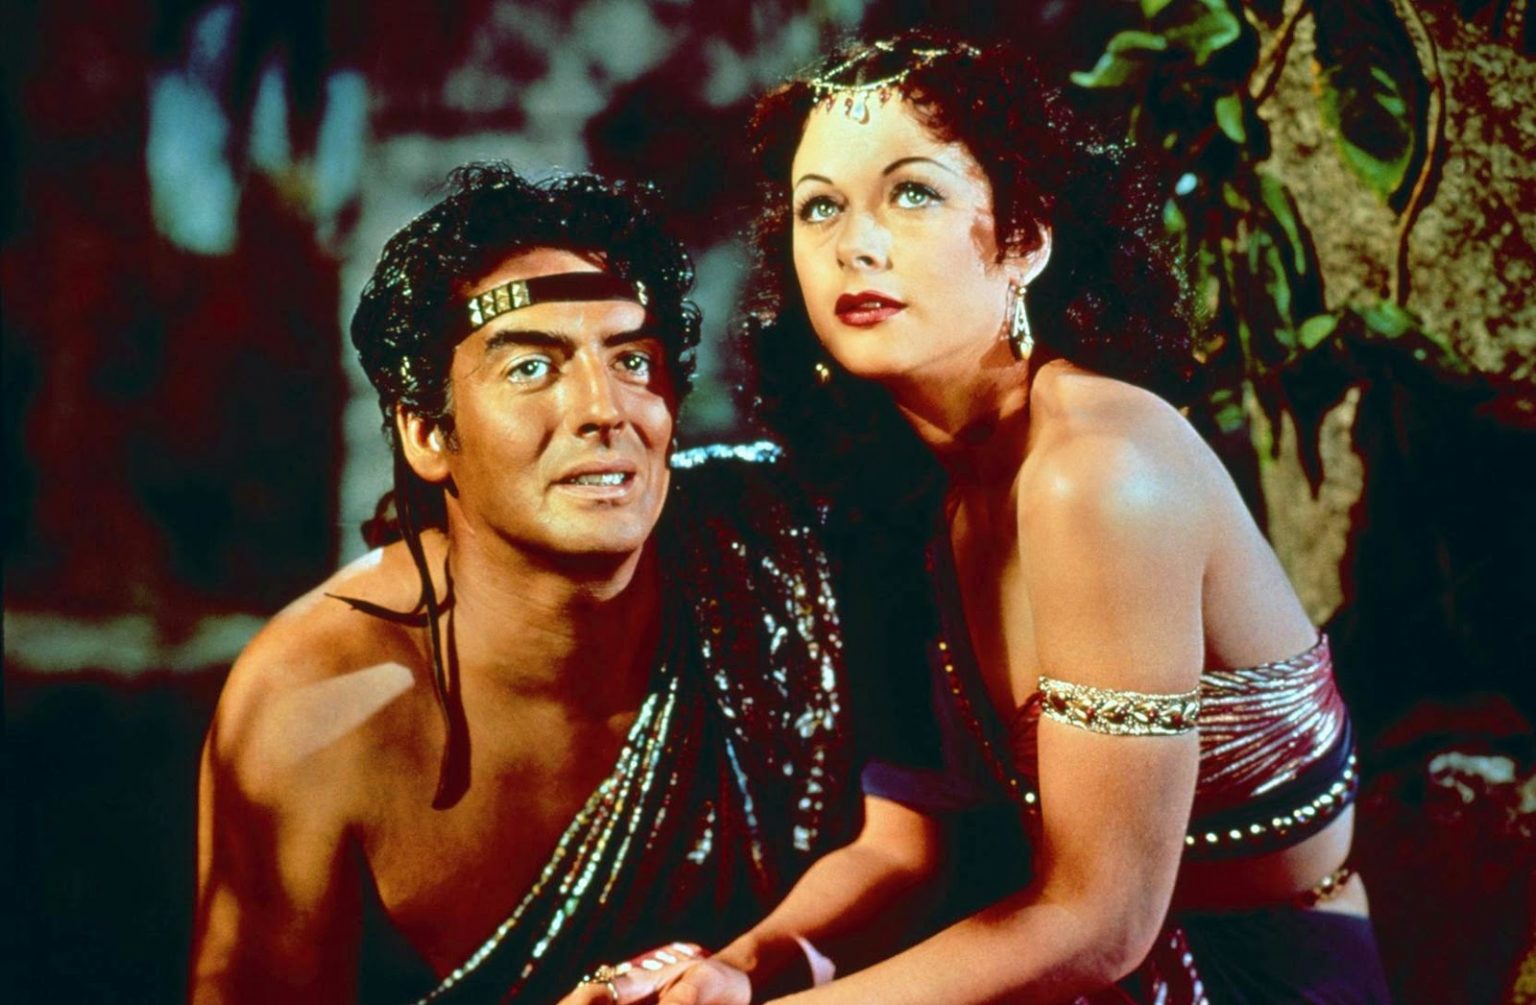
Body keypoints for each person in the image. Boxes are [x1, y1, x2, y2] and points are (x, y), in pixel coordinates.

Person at [581, 32, 1393, 1005]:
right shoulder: (912, 492)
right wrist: (737, 971)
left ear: (1025, 239)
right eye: (820, 207)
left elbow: (1101, 921)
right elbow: (904, 847)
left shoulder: (1098, 471)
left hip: (1261, 981)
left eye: (912, 193)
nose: (855, 245)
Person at [189, 164, 864, 1003]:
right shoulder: (318, 700)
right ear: (427, 431)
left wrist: (750, 970)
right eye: (531, 369)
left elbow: (922, 838)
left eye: (633, 360)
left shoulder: (772, 544)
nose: (604, 408)